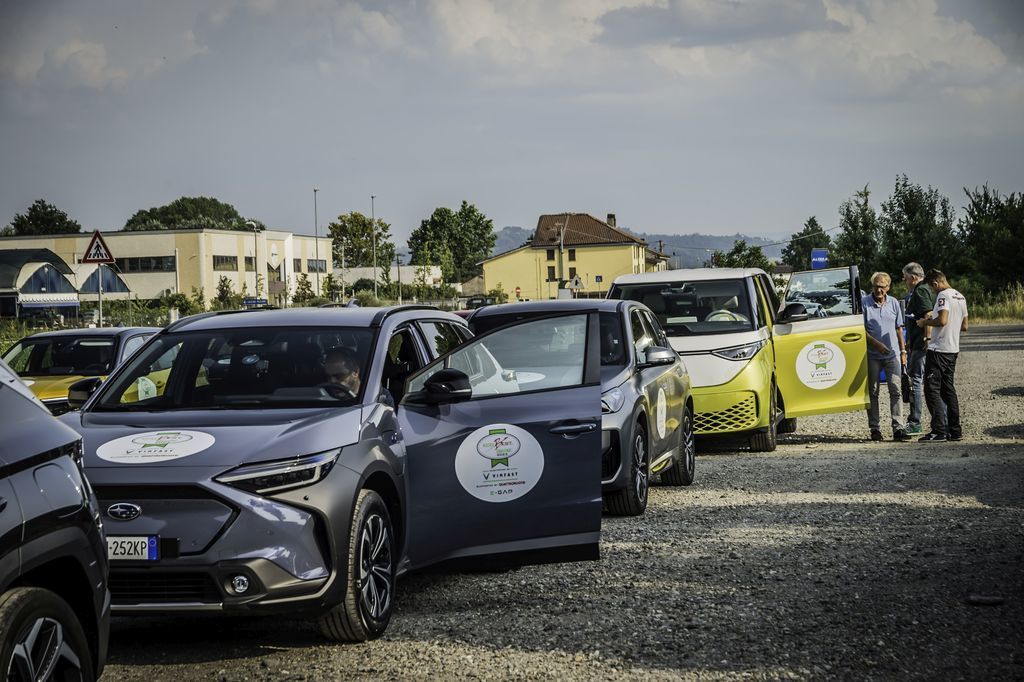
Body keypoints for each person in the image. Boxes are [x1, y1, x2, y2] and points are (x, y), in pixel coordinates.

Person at [916, 269, 968, 442]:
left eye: (932, 288)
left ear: (935, 283)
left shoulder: (943, 296)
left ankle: (938, 430)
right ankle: (955, 430)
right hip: (953, 348)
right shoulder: (960, 296)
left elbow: (943, 320)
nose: (932, 291)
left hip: (939, 349)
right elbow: (965, 326)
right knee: (948, 389)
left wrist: (925, 322)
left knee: (931, 389)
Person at [862, 272, 910, 442]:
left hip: (892, 354)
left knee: (896, 390)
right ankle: (875, 429)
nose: (879, 290)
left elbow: (899, 329)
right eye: (876, 286)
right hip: (872, 355)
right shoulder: (864, 303)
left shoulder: (894, 303)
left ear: (888, 287)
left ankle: (898, 428)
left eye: (882, 287)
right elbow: (861, 331)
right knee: (873, 391)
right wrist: (877, 344)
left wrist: (903, 351)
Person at [901, 262, 938, 435]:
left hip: (921, 345)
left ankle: (915, 422)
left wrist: (927, 338)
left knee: (915, 380)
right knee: (929, 382)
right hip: (917, 342)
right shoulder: (926, 289)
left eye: (905, 278)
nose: (904, 281)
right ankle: (941, 420)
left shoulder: (921, 290)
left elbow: (928, 315)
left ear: (913, 277)